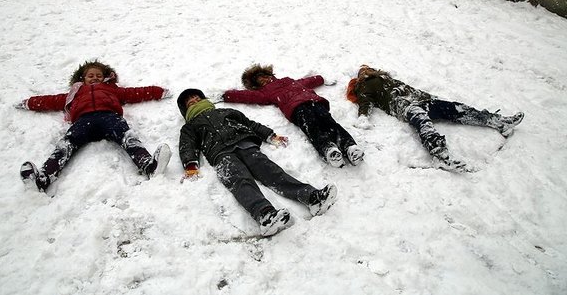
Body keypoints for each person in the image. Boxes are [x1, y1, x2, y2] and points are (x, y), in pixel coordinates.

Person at [177, 88, 337, 237]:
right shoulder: (190, 126)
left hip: (245, 144)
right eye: (190, 102)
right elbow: (187, 145)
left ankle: (312, 197)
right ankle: (265, 214)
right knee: (240, 181)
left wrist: (270, 135)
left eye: (197, 98)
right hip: (221, 154)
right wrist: (190, 165)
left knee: (272, 173)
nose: (195, 101)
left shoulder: (226, 111)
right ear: (187, 110)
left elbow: (250, 124)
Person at [16, 60, 172, 193]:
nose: (95, 78)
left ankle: (148, 165)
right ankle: (42, 179)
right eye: (91, 76)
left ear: (105, 77)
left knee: (129, 138)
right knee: (65, 145)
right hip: (84, 121)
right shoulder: (75, 93)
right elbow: (51, 100)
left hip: (109, 117)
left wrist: (159, 92)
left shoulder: (112, 89)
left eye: (99, 75)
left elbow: (136, 92)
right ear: (82, 78)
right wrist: (29, 103)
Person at [346, 64, 525, 171]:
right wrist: (363, 117)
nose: (365, 71)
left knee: (456, 109)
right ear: (360, 76)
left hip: (423, 100)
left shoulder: (387, 79)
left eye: (367, 68)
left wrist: (428, 96)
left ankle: (497, 121)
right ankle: (439, 153)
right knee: (423, 123)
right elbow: (365, 102)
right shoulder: (364, 86)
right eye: (362, 71)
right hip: (405, 106)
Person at [220, 64, 364, 168]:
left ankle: (349, 146)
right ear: (257, 85)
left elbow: (306, 81)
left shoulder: (288, 80)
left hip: (314, 101)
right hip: (296, 108)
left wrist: (320, 78)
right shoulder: (265, 92)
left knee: (330, 123)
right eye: (260, 81)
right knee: (312, 127)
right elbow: (247, 96)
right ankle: (328, 149)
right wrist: (226, 95)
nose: (264, 80)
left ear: (270, 75)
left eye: (265, 76)